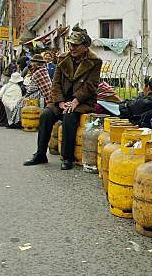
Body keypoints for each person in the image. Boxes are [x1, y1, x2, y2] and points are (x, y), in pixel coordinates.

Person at [23, 25, 100, 170]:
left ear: (85, 46)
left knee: (69, 118)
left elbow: (90, 86)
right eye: (70, 44)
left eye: (75, 45)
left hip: (82, 101)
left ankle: (67, 157)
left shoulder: (95, 61)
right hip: (62, 100)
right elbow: (56, 83)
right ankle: (40, 154)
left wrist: (76, 101)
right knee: (46, 115)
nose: (72, 48)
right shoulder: (63, 58)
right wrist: (59, 102)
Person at [8, 54, 52, 128]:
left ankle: (18, 121)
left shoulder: (37, 73)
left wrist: (26, 93)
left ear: (36, 64)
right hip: (45, 94)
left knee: (21, 102)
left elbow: (32, 89)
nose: (31, 65)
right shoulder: (44, 70)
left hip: (40, 95)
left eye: (33, 63)